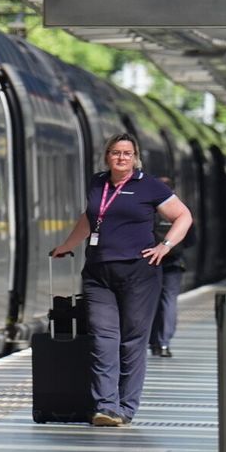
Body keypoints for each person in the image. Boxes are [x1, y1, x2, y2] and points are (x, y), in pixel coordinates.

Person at [50, 134, 193, 426]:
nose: (121, 158)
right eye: (116, 153)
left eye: (127, 153)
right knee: (103, 339)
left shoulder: (149, 185)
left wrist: (164, 247)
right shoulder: (97, 183)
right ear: (107, 156)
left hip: (139, 274)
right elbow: (91, 219)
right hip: (98, 273)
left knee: (131, 342)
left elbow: (183, 216)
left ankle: (126, 407)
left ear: (135, 156)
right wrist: (67, 245)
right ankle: (105, 406)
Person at [147, 174, 192, 359]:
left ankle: (151, 340)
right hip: (174, 263)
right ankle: (164, 343)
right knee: (169, 301)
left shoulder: (147, 210)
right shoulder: (180, 211)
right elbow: (190, 240)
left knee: (148, 301)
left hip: (149, 261)